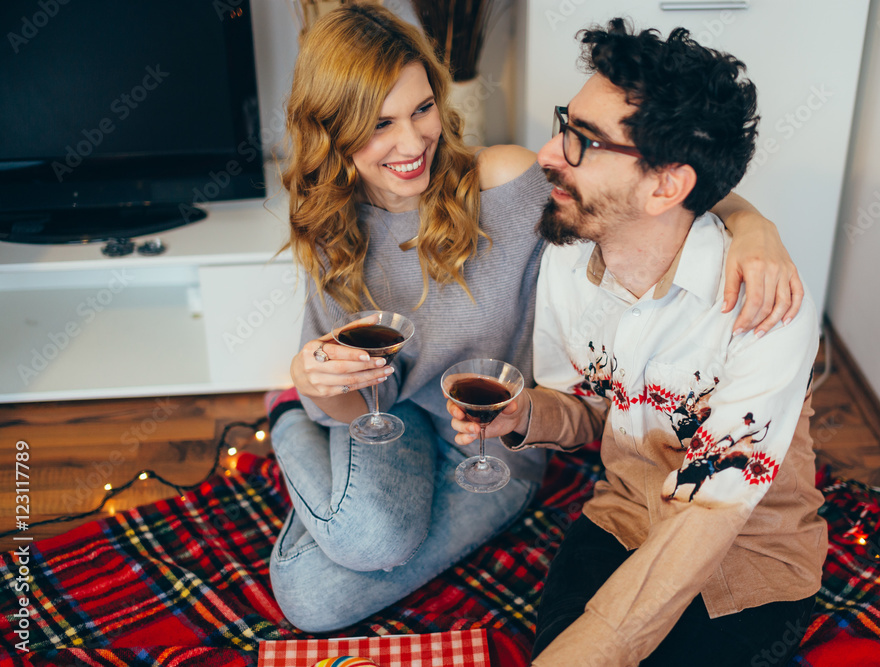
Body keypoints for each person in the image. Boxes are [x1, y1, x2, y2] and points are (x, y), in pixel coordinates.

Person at [267, 1, 806, 634]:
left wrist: (753, 224)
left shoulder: (507, 184)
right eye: (379, 124)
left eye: (422, 108)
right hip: (394, 418)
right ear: (332, 129)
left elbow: (654, 180)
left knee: (313, 602)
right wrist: (314, 387)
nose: (412, 142)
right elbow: (361, 408)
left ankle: (306, 446)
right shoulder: (331, 228)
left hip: (500, 445)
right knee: (366, 541)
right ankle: (287, 419)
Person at [448, 21, 827, 666]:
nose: (546, 153)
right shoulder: (570, 258)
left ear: (665, 186)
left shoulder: (767, 309)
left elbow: (710, 515)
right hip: (622, 518)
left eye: (582, 142)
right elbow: (589, 411)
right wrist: (526, 415)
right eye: (564, 125)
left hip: (748, 560)